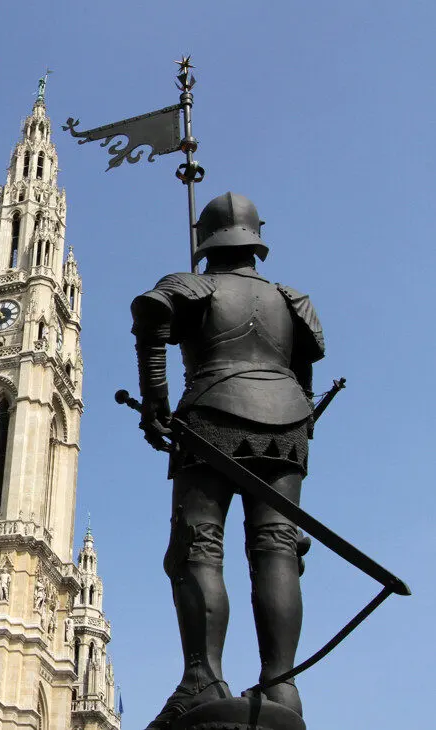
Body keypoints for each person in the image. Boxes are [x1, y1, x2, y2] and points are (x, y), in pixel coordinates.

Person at [131, 193, 324, 728]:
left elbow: (150, 314)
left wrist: (157, 403)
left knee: (196, 548)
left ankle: (203, 675)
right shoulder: (291, 298)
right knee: (277, 550)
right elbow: (303, 371)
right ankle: (281, 684)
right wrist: (298, 419)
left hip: (211, 415)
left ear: (208, 238)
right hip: (288, 427)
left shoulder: (194, 284)